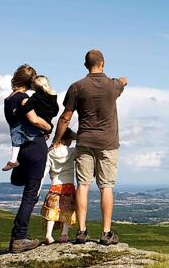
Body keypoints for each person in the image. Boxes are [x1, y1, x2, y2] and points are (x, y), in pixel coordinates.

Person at [52, 49, 127, 246]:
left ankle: (82, 231)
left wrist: (56, 140)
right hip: (108, 144)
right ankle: (106, 233)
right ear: (103, 63)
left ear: (86, 65)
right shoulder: (113, 86)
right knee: (106, 187)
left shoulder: (77, 87)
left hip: (84, 142)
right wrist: (122, 80)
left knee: (83, 185)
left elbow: (65, 118)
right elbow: (123, 81)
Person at [4, 64, 52, 253]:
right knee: (31, 194)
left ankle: (19, 235)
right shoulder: (23, 98)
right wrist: (47, 127)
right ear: (30, 82)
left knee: (24, 185)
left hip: (21, 148)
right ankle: (19, 237)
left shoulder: (8, 99)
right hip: (35, 147)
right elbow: (33, 119)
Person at [3, 75, 59, 171]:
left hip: (38, 124)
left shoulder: (35, 97)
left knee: (16, 132)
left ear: (34, 87)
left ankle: (13, 160)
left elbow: (27, 108)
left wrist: (17, 111)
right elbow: (56, 111)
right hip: (47, 123)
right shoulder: (53, 96)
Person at [41, 128, 77, 245]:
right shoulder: (72, 152)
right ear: (68, 139)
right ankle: (64, 235)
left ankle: (48, 235)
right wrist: (73, 135)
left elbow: (44, 171)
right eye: (70, 139)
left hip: (54, 186)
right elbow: (81, 140)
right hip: (69, 186)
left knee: (52, 211)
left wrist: (39, 187)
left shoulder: (50, 153)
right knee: (67, 211)